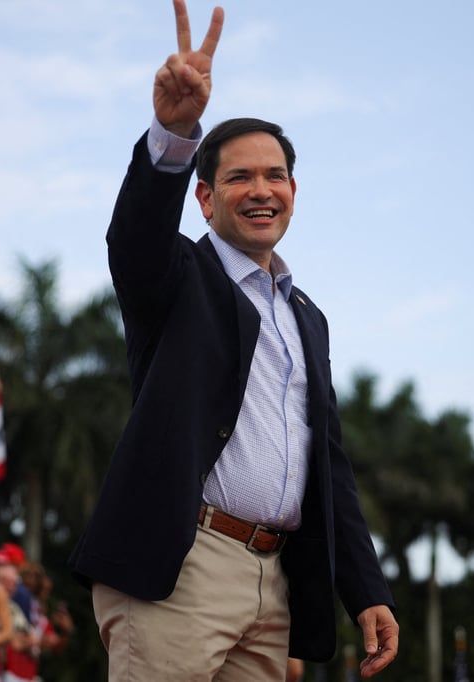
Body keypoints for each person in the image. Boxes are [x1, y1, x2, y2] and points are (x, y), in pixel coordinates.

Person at [66, 2, 398, 679]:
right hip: (181, 567)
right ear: (206, 200)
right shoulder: (180, 276)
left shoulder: (306, 314)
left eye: (274, 175)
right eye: (239, 177)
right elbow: (134, 240)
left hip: (273, 583)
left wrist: (365, 591)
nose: (260, 190)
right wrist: (174, 130)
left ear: (294, 192)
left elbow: (326, 464)